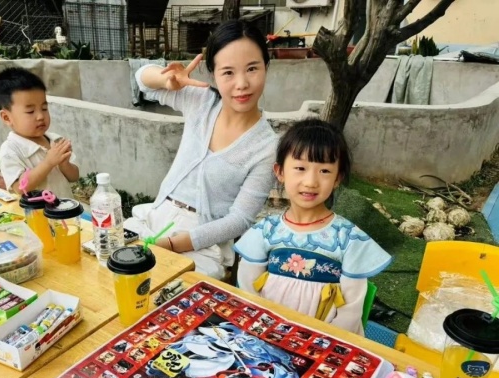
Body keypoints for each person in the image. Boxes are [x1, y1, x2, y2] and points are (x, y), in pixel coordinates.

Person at [124, 20, 279, 279]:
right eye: (228, 72)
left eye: (252, 68)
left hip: (202, 244)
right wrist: (166, 80)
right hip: (154, 219)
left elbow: (239, 219)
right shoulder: (202, 101)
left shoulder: (267, 147)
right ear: (213, 74)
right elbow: (142, 79)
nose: (242, 83)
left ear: (266, 67)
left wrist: (173, 245)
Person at [234, 119, 392, 335]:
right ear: (280, 172)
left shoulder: (348, 238)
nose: (310, 182)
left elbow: (350, 312)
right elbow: (248, 291)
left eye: (325, 171)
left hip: (323, 341)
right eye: (300, 168)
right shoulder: (265, 231)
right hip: (266, 334)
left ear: (338, 178)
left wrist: (319, 343)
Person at [0, 67, 79, 198]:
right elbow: (20, 187)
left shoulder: (56, 140)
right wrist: (48, 162)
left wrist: (64, 164)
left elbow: (74, 177)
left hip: (65, 208)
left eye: (44, 108)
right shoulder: (10, 150)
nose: (40, 116)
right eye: (30, 111)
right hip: (38, 211)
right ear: (7, 117)